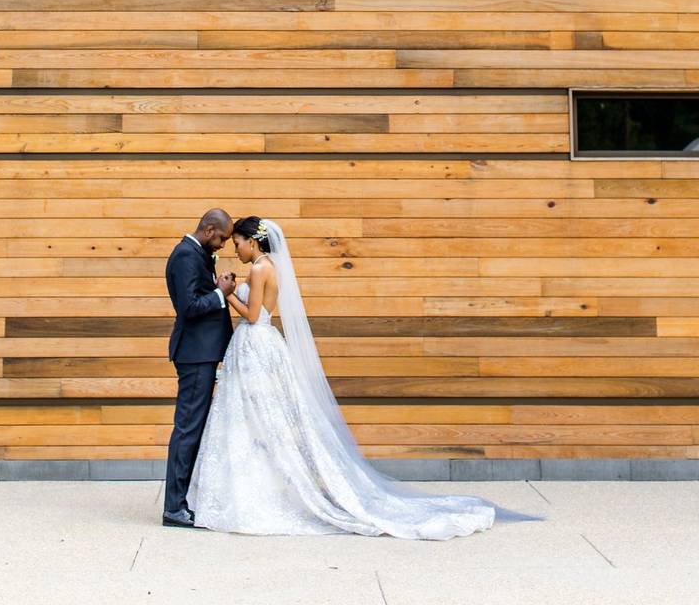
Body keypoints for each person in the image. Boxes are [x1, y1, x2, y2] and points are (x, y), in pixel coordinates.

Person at [185, 216, 542, 539]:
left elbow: (252, 316)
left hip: (256, 342)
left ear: (254, 241)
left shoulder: (262, 268)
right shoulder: (269, 265)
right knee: (255, 417)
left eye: (239, 244)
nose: (236, 249)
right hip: (258, 345)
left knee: (257, 416)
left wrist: (227, 293)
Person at [161, 209, 237, 528]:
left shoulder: (198, 254)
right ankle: (174, 508)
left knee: (194, 428)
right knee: (188, 428)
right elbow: (189, 307)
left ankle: (183, 501)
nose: (222, 245)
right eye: (221, 238)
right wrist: (221, 293)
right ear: (208, 230)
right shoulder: (184, 256)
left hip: (202, 353)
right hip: (194, 356)